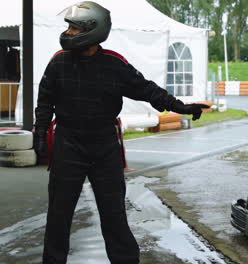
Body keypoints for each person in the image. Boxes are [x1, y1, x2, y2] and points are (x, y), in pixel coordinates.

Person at [33, 2, 209, 263]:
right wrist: (40, 133)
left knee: (114, 215)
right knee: (59, 216)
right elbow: (45, 101)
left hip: (104, 148)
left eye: (74, 28)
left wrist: (179, 106)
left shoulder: (115, 65)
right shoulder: (58, 62)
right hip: (67, 145)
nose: (68, 32)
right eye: (69, 27)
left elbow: (148, 90)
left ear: (93, 31)